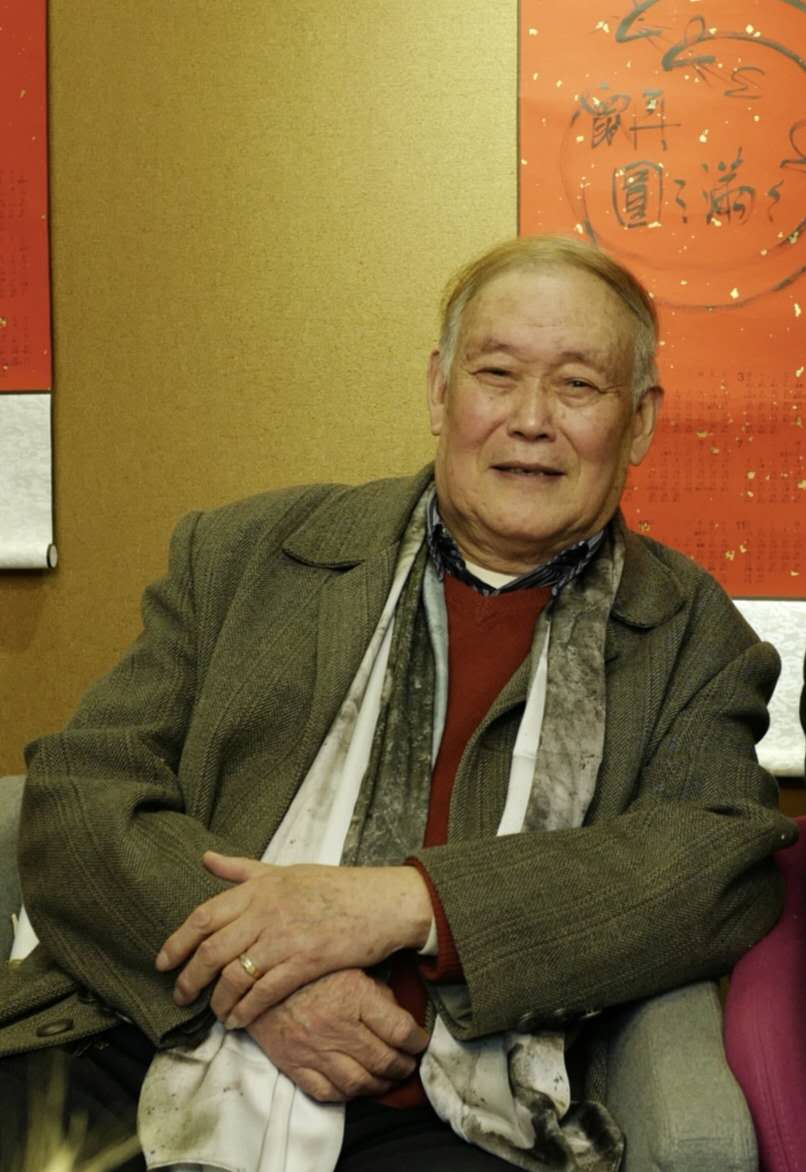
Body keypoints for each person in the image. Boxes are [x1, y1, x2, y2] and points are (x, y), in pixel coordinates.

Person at [0, 235, 796, 1172]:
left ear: (641, 421)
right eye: (496, 375)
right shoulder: (248, 556)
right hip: (146, 1040)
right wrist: (260, 981)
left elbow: (711, 870)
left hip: (443, 1109)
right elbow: (79, 797)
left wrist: (410, 904)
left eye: (578, 386)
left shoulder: (691, 638)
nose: (530, 420)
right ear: (439, 392)